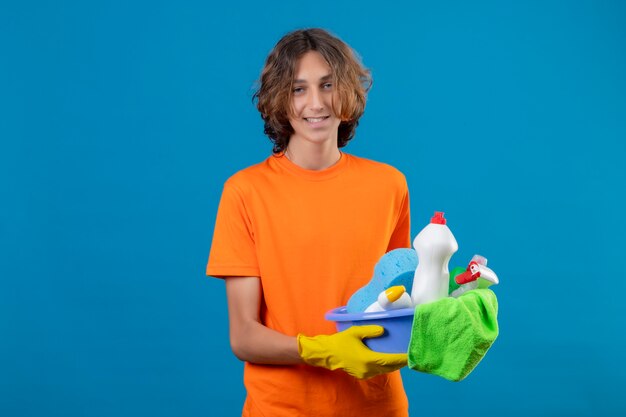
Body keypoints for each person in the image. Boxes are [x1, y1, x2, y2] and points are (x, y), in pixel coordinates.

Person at [206, 28, 412, 417]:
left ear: (348, 94)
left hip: (377, 406)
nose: (315, 103)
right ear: (279, 102)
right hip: (282, 409)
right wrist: (324, 351)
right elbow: (244, 337)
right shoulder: (245, 192)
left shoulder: (389, 185)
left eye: (328, 85)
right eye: (298, 89)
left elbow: (395, 301)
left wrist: (450, 307)